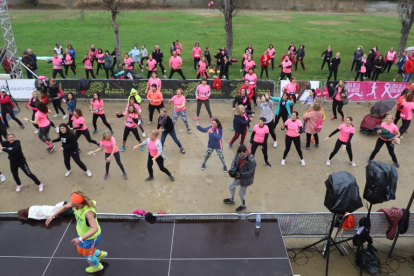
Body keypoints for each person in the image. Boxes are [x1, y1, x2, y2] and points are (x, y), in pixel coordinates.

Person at [45, 191, 107, 274]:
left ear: (82, 203)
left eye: (76, 206)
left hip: (91, 237)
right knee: (81, 250)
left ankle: (97, 266)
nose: (74, 208)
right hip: (81, 234)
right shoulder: (75, 204)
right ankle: (99, 254)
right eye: (73, 205)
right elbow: (64, 207)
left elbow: (94, 228)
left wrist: (80, 239)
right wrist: (53, 215)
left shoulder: (88, 213)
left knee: (88, 256)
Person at [223, 145, 257, 212]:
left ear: (246, 152)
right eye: (240, 154)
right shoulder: (238, 154)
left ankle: (243, 205)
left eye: (242, 154)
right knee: (231, 186)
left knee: (241, 193)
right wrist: (233, 169)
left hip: (245, 179)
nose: (241, 155)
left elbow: (251, 172)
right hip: (238, 175)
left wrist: (240, 175)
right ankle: (232, 199)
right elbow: (234, 161)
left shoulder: (251, 161)